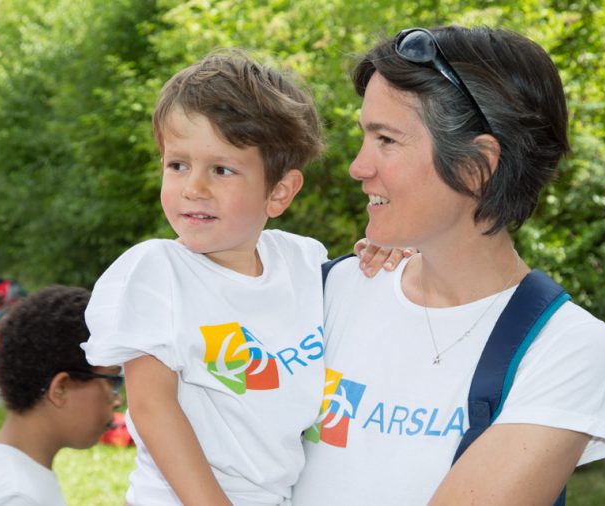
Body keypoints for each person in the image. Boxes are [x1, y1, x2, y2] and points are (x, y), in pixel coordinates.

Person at [292, 25, 605, 505]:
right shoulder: (331, 290)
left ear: (477, 165)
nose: (358, 167)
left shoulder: (565, 350)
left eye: (386, 139)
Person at [81, 50, 404, 506]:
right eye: (178, 165)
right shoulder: (155, 272)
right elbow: (153, 409)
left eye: (221, 169)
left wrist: (385, 254)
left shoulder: (301, 262)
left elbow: (364, 307)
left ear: (278, 192)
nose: (194, 187)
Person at [0, 285, 123, 506]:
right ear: (60, 388)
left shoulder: (10, 470)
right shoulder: (16, 496)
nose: (117, 400)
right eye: (112, 382)